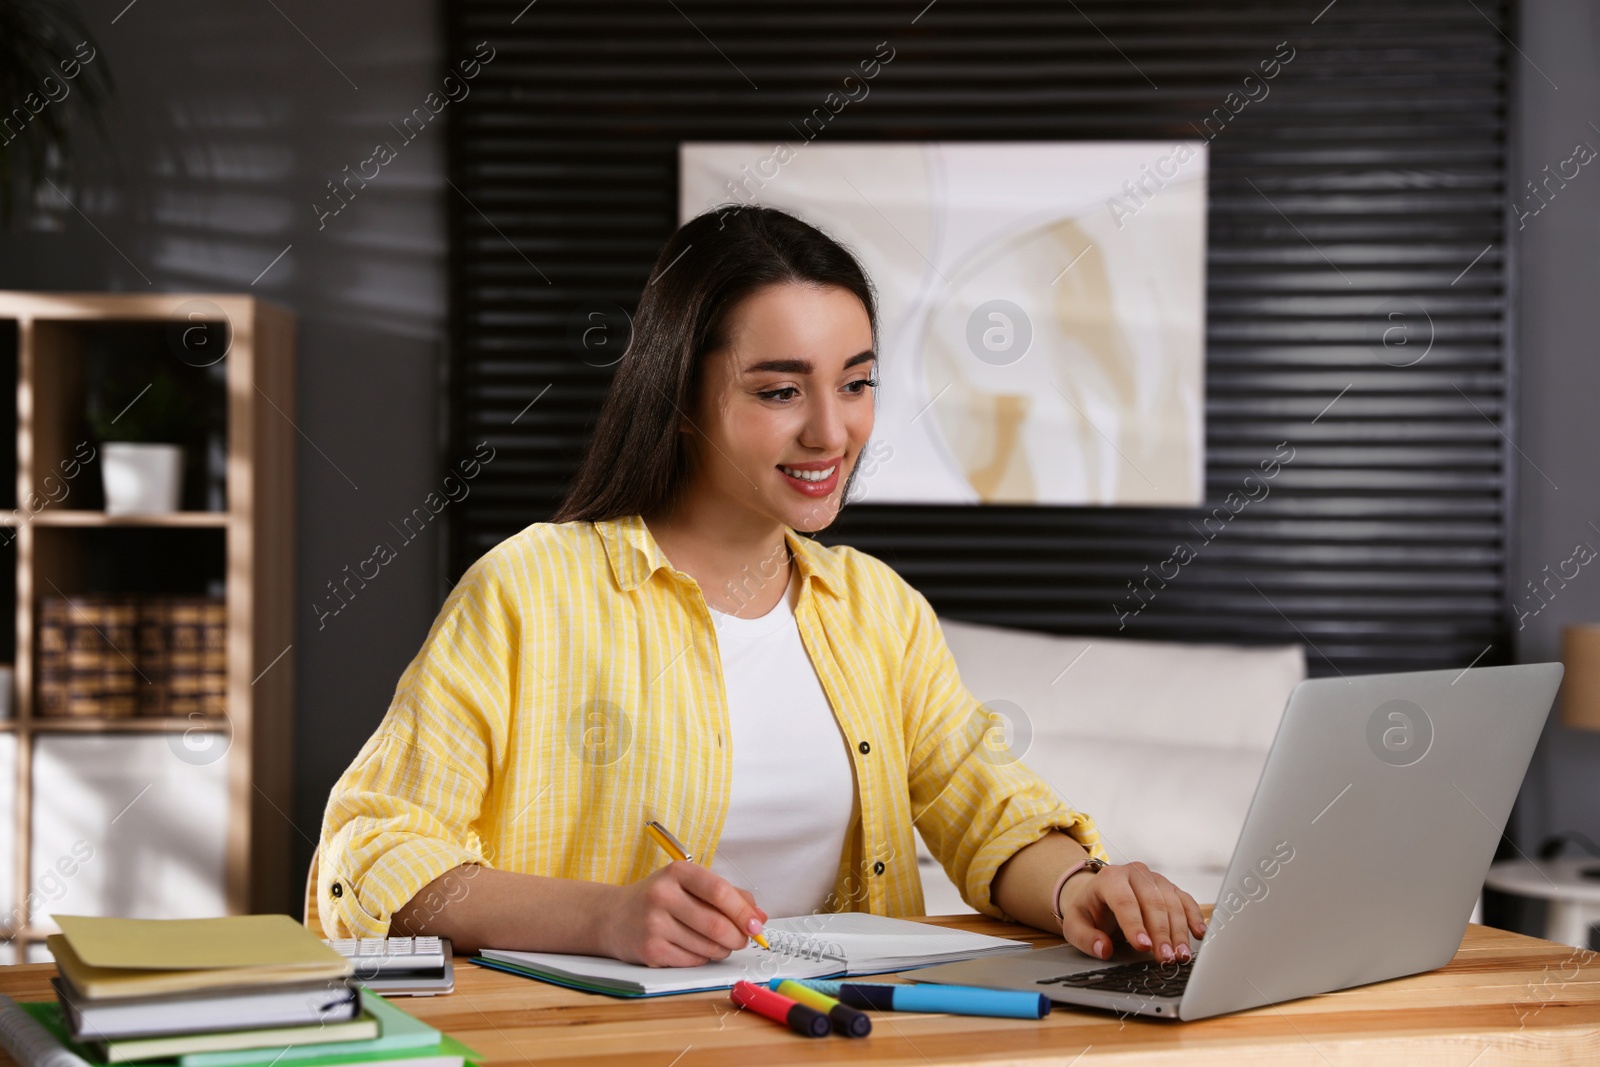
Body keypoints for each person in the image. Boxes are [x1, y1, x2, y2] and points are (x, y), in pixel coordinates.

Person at [310, 205, 1204, 968]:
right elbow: (369, 852)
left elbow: (983, 806)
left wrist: (1083, 887)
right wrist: (605, 917)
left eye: (856, 384)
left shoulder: (876, 608)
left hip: (840, 1040)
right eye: (780, 391)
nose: (831, 432)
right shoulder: (529, 590)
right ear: (680, 394)